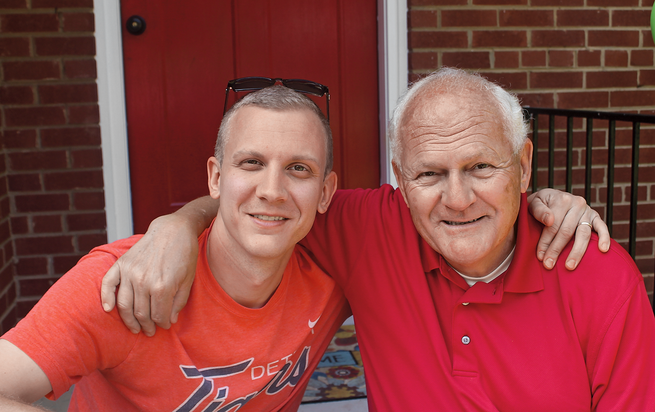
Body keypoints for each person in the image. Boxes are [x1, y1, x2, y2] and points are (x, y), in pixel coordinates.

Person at [100, 69, 653, 411]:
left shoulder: (597, 274)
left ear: (524, 164)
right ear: (399, 179)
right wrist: (176, 224)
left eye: (482, 167)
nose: (457, 199)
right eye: (430, 174)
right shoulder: (372, 228)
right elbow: (266, 206)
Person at [0, 86, 352, 411]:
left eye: (298, 168)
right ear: (216, 178)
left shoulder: (336, 270)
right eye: (251, 163)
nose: (272, 190)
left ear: (324, 192)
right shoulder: (125, 283)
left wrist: (182, 219)